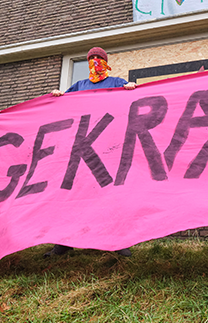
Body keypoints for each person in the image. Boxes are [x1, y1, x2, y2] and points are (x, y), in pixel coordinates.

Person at [44, 46, 136, 257]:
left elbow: (131, 100)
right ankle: (64, 242)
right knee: (73, 195)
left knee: (110, 194)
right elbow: (63, 105)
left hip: (107, 148)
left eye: (99, 58)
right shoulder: (80, 86)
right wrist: (58, 96)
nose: (95, 60)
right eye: (91, 58)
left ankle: (117, 241)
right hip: (81, 149)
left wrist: (131, 89)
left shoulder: (116, 83)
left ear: (106, 61)